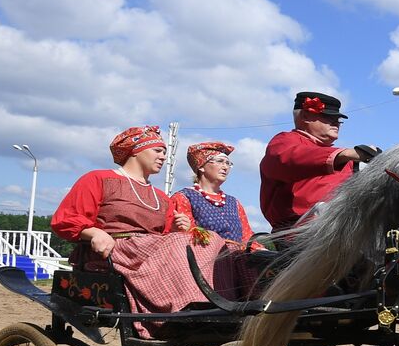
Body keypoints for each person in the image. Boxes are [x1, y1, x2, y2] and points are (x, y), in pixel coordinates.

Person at [51, 126, 249, 333]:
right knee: (185, 242)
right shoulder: (99, 178)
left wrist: (176, 227)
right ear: (136, 150)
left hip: (149, 250)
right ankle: (186, 305)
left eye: (164, 152)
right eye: (158, 150)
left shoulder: (160, 196)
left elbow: (166, 235)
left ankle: (220, 304)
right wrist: (94, 232)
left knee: (214, 241)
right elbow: (65, 219)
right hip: (116, 249)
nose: (163, 156)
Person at [259, 91, 381, 231]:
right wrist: (346, 154)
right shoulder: (284, 142)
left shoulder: (343, 158)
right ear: (305, 116)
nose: (336, 123)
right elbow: (290, 158)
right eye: (328, 117)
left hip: (340, 230)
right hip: (297, 234)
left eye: (338, 120)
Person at [170, 142, 255, 244]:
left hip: (236, 258)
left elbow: (247, 236)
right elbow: (181, 238)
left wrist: (259, 249)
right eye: (220, 161)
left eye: (228, 163)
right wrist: (189, 229)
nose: (225, 167)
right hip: (203, 258)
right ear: (201, 166)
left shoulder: (234, 203)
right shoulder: (184, 197)